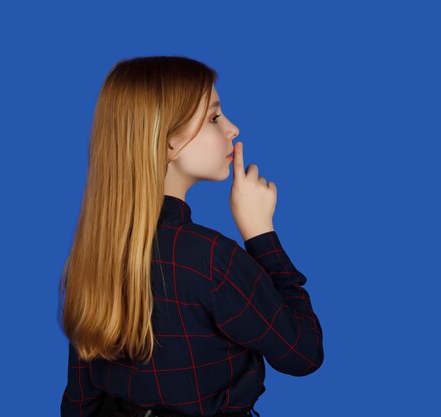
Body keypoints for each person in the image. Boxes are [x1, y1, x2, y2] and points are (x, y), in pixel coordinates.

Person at [58, 56, 324, 417]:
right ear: (167, 143)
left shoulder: (92, 256)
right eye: (214, 117)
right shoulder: (210, 259)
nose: (233, 127)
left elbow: (79, 399)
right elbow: (303, 354)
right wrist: (261, 235)